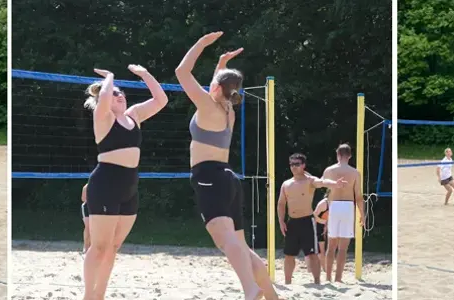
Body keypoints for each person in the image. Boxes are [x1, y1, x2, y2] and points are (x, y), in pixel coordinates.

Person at [177, 31, 278, 300]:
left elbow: (182, 72)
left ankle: (250, 289)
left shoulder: (208, 106)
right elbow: (218, 86)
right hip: (228, 178)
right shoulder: (228, 110)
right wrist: (221, 63)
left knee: (225, 241)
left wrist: (201, 43)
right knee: (241, 248)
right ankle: (272, 297)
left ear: (217, 89)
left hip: (208, 176)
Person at [82, 64, 167, 300]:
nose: (121, 95)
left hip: (129, 187)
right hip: (105, 185)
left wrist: (144, 74)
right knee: (99, 247)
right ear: (105, 100)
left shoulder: (134, 116)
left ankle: (100, 295)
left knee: (112, 247)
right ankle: (89, 296)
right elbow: (106, 96)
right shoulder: (103, 118)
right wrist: (110, 77)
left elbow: (161, 100)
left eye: (122, 93)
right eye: (116, 93)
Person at [278, 153, 346, 284]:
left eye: (297, 164)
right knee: (289, 254)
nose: (294, 167)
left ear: (303, 165)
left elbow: (322, 182)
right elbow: (281, 204)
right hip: (292, 222)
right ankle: (288, 282)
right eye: (292, 164)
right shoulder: (286, 184)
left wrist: (334, 184)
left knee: (312, 254)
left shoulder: (309, 181)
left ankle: (317, 282)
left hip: (307, 221)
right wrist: (281, 221)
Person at [322, 144, 364, 283]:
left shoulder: (329, 170)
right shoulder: (355, 173)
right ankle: (338, 278)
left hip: (333, 205)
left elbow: (324, 189)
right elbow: (358, 196)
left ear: (337, 154)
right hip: (347, 206)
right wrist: (362, 215)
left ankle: (328, 277)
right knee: (343, 247)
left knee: (331, 244)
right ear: (350, 155)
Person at [313, 198, 329, 274]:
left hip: (327, 226)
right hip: (318, 226)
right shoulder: (323, 203)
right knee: (321, 250)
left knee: (328, 249)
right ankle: (325, 269)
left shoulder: (338, 201)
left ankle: (325, 268)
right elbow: (314, 216)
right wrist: (325, 222)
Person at [81, 183, 91, 254]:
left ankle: (92, 246)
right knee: (88, 227)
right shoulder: (87, 186)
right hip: (87, 207)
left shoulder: (103, 185)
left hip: (97, 207)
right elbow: (83, 199)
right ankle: (86, 247)